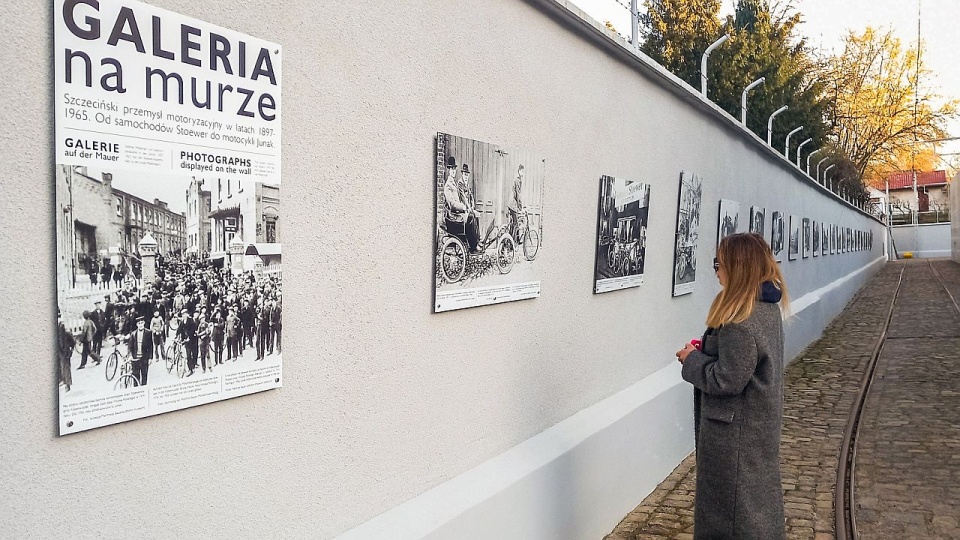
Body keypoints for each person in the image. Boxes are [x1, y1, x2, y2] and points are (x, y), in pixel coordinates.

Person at [674, 232, 789, 540]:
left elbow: (727, 379)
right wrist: (707, 351)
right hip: (755, 429)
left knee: (734, 518)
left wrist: (691, 360)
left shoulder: (740, 320)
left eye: (719, 263)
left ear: (737, 267)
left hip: (734, 435)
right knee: (754, 507)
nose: (716, 270)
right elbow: (748, 365)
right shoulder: (765, 308)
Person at [442, 156, 480, 253]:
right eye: (451, 169)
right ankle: (473, 246)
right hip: (453, 216)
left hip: (458, 213)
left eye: (454, 169)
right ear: (449, 170)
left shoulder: (453, 183)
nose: (453, 171)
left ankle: (476, 241)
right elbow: (451, 204)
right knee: (471, 217)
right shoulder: (448, 186)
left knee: (472, 216)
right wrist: (463, 207)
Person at [126, 316, 152, 386]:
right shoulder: (133, 334)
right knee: (135, 378)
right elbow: (130, 347)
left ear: (144, 323)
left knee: (144, 377)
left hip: (144, 359)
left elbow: (150, 346)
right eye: (139, 323)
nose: (140, 325)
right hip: (135, 359)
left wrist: (150, 358)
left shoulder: (148, 333)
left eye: (142, 323)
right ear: (137, 325)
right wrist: (130, 356)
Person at [57, 310, 75, 392]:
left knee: (66, 367)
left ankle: (67, 384)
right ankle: (61, 380)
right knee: (60, 366)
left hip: (64, 351)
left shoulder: (62, 326)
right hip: (59, 351)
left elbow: (70, 337)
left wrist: (71, 346)